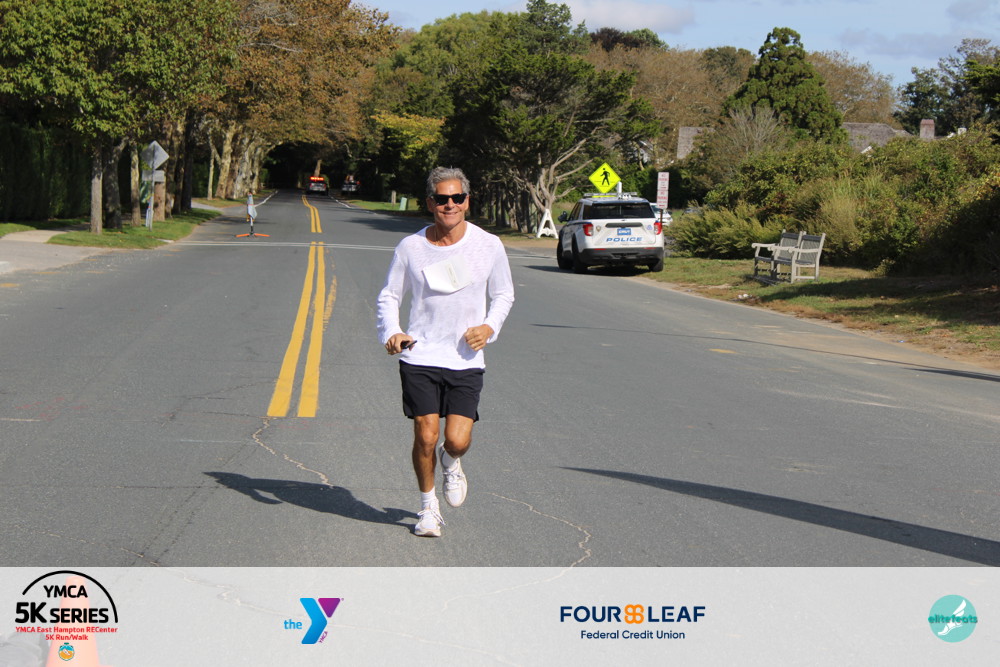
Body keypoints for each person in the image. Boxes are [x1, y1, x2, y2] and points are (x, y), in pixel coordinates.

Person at [376, 167, 515, 537]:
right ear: (430, 203)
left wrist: (489, 327)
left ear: (467, 201)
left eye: (457, 198)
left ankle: (451, 461)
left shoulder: (489, 245)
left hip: (465, 359)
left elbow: (504, 294)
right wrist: (392, 331)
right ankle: (427, 509)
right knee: (425, 435)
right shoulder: (411, 247)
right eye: (441, 199)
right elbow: (390, 295)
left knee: (456, 440)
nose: (449, 204)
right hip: (420, 355)